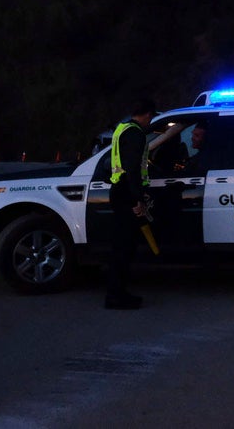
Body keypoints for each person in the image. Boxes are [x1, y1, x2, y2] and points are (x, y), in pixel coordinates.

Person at [105, 98, 156, 310]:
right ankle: (117, 296)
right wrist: (136, 200)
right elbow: (132, 169)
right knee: (124, 248)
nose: (150, 121)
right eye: (150, 117)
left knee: (121, 247)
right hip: (127, 193)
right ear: (145, 114)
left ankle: (117, 293)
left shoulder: (122, 129)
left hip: (119, 190)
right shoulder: (136, 134)